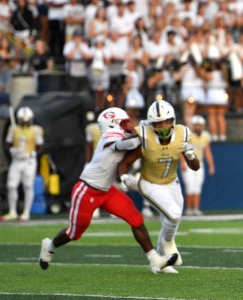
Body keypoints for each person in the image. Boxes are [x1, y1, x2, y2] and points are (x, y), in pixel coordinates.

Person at [38, 108, 178, 274]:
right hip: (87, 190)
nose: (128, 125)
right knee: (74, 233)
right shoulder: (110, 136)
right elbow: (130, 143)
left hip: (107, 191)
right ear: (112, 124)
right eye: (124, 123)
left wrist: (149, 128)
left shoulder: (121, 134)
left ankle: (155, 260)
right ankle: (50, 246)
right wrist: (146, 130)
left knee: (136, 219)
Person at [117, 100, 200, 274]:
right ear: (151, 124)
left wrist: (191, 155)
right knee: (174, 215)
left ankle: (161, 263)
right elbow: (124, 162)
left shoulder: (183, 134)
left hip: (172, 182)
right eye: (158, 123)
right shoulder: (146, 137)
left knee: (172, 220)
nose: (162, 126)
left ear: (173, 120)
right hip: (150, 183)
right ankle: (168, 245)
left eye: (165, 121)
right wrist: (124, 176)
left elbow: (195, 167)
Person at [1, 107, 44, 221]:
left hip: (29, 161)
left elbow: (40, 147)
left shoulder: (36, 130)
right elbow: (7, 144)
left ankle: (26, 212)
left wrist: (32, 154)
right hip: (17, 160)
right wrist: (13, 150)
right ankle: (12, 211)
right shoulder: (13, 129)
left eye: (27, 120)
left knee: (28, 186)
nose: (25, 122)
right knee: (11, 185)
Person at [182, 115, 215, 216]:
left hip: (199, 163)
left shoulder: (205, 136)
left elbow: (207, 151)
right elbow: (182, 150)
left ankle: (196, 209)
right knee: (190, 186)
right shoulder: (188, 135)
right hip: (188, 163)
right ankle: (188, 209)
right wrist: (182, 162)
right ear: (192, 125)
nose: (198, 127)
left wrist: (211, 165)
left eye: (199, 125)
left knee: (197, 186)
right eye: (196, 125)